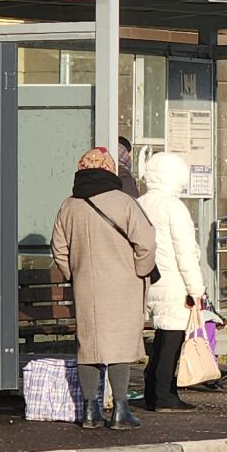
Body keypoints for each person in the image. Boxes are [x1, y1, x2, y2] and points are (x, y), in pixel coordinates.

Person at [52, 147, 158, 430]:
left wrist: (74, 274)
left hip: (86, 285)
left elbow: (59, 249)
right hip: (123, 283)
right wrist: (140, 269)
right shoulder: (124, 202)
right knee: (119, 346)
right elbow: (146, 241)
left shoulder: (68, 205)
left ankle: (90, 410)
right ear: (109, 169)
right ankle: (121, 410)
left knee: (89, 346)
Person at [137, 152, 205, 412]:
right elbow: (185, 252)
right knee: (172, 338)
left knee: (160, 338)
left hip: (150, 279)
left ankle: (152, 392)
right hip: (175, 281)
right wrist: (196, 289)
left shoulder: (140, 203)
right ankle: (165, 394)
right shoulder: (173, 206)